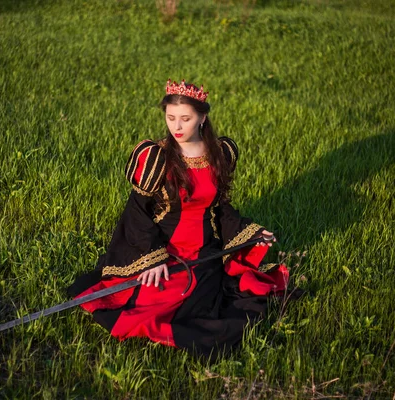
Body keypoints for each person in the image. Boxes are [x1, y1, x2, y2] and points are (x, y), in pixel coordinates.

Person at [67, 79, 289, 359]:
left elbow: (220, 208)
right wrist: (153, 258)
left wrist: (252, 233)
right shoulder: (156, 157)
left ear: (202, 118)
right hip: (165, 248)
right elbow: (136, 212)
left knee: (202, 303)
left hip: (203, 253)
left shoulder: (219, 154)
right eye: (171, 118)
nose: (177, 127)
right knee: (149, 304)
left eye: (186, 118)